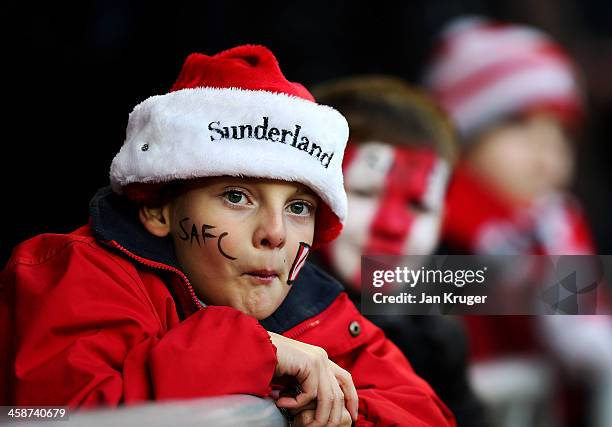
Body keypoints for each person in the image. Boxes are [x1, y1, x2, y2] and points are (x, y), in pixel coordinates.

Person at [0, 44, 456, 427]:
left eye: (299, 208)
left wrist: (335, 411)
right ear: (158, 206)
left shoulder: (316, 306)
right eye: (237, 196)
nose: (275, 234)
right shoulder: (74, 273)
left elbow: (426, 413)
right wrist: (258, 351)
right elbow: (58, 417)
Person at [424, 16, 612, 427]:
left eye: (560, 130)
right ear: (462, 137)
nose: (547, 147)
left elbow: (583, 321)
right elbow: (388, 288)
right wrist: (512, 283)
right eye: (518, 123)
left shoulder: (556, 224)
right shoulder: (433, 212)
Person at [311, 76, 488, 427]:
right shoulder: (263, 320)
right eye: (364, 192)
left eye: (419, 206)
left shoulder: (437, 339)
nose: (391, 226)